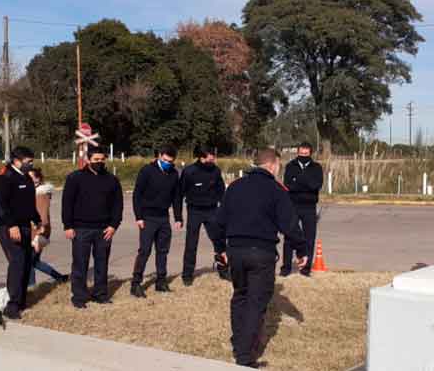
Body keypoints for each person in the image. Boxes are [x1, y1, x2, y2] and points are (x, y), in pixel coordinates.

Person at [210, 148, 308, 368]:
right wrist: (301, 251)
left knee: (240, 297)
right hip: (261, 253)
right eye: (279, 166)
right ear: (272, 165)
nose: (279, 170)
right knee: (256, 303)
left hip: (235, 251)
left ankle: (238, 343)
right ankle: (245, 356)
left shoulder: (234, 187)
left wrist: (220, 249)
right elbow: (290, 226)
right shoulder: (276, 190)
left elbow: (217, 223)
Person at [61, 146, 123, 309]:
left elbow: (118, 205)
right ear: (88, 160)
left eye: (102, 159)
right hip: (81, 229)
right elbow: (67, 203)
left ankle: (100, 294)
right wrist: (68, 226)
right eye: (96, 160)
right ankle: (79, 297)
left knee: (102, 263)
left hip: (104, 229)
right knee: (80, 264)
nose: (99, 162)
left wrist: (113, 226)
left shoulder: (112, 180)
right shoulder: (75, 178)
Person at [0, 146, 42, 319]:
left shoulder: (26, 178)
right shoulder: (3, 178)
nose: (31, 165)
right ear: (17, 160)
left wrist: (37, 220)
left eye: (31, 162)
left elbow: (29, 203)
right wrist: (12, 225)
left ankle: (21, 301)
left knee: (27, 261)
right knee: (17, 261)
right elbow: (1, 206)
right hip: (8, 226)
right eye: (28, 162)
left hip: (25, 226)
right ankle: (12, 306)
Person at [130, 145, 183, 297]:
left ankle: (161, 281)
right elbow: (137, 195)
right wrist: (138, 217)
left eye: (171, 161)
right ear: (160, 156)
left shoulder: (173, 173)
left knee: (163, 251)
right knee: (145, 251)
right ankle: (136, 284)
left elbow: (176, 197)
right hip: (147, 217)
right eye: (165, 160)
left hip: (163, 218)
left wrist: (178, 218)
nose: (168, 163)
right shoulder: (147, 171)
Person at [179, 146, 227, 285]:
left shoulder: (216, 170)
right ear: (201, 157)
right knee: (191, 243)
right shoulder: (189, 172)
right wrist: (178, 216)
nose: (213, 158)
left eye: (213, 154)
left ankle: (223, 269)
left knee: (219, 240)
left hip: (212, 210)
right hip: (194, 211)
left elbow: (221, 191)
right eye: (210, 155)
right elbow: (180, 192)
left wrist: (224, 210)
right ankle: (187, 275)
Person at [281, 142, 323, 277]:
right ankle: (286, 268)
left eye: (306, 153)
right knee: (289, 236)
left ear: (310, 153)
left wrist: (298, 181)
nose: (303, 155)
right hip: (292, 205)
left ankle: (306, 269)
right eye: (301, 153)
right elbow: (288, 185)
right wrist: (306, 183)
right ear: (297, 153)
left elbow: (316, 185)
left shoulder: (316, 167)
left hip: (309, 207)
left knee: (309, 237)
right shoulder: (290, 166)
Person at [28, 168, 68, 285]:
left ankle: (32, 288)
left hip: (37, 232)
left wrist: (38, 237)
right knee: (34, 261)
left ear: (38, 179)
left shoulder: (40, 194)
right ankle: (60, 277)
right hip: (33, 231)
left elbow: (43, 217)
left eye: (32, 177)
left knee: (29, 262)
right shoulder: (32, 192)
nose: (29, 179)